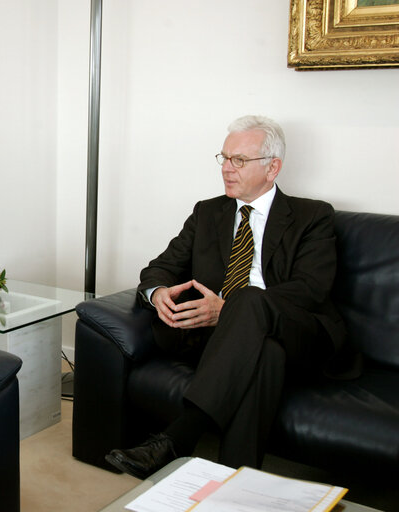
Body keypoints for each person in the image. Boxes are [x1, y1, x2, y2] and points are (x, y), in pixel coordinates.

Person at [105, 115, 349, 479]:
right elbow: (159, 268)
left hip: (299, 335)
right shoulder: (208, 213)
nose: (227, 169)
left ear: (272, 168)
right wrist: (158, 295)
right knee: (266, 354)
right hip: (231, 345)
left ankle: (178, 437)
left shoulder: (312, 216)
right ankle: (232, 486)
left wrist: (229, 308)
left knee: (249, 299)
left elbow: (310, 289)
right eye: (224, 158)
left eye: (239, 160)